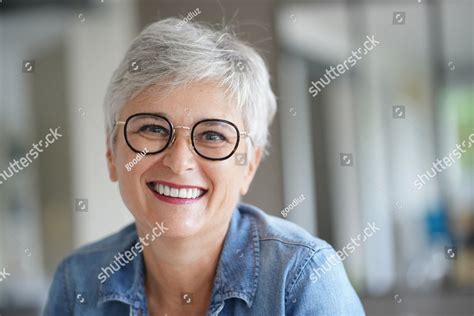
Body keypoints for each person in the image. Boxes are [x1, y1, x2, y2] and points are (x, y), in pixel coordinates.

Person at [44, 18, 365, 315]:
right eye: (153, 129)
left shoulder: (302, 278)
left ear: (249, 166)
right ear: (112, 154)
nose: (179, 161)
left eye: (213, 135)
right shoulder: (78, 281)